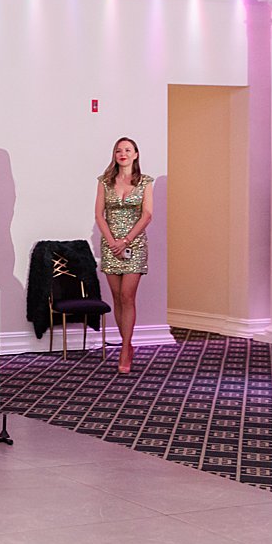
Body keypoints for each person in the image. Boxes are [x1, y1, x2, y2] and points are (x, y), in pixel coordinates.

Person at [95, 137, 153, 375]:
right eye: (119, 150)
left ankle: (124, 348)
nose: (123, 154)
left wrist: (126, 240)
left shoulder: (145, 182)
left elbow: (147, 214)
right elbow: (99, 214)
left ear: (136, 154)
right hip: (110, 245)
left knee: (128, 296)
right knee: (117, 297)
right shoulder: (105, 182)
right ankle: (126, 344)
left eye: (128, 150)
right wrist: (112, 242)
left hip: (135, 244)